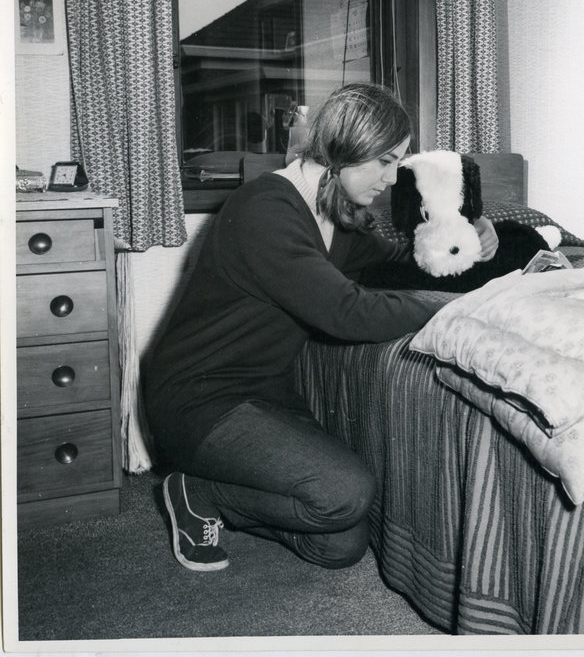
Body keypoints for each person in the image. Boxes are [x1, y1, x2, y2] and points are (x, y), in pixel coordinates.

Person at [144, 83, 498, 572]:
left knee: (338, 544)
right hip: (197, 399)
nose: (394, 179)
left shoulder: (336, 211)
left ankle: (214, 493)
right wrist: (456, 309)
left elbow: (404, 260)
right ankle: (199, 490)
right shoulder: (265, 210)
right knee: (345, 493)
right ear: (345, 150)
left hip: (263, 392)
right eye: (385, 162)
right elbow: (348, 312)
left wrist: (476, 243)